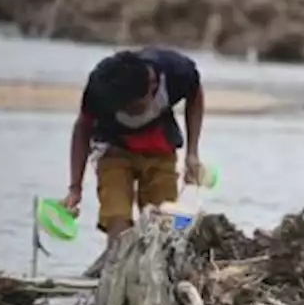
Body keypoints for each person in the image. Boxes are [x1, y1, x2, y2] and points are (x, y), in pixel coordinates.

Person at [63, 47, 207, 277]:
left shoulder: (177, 72)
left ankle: (159, 276)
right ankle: (117, 274)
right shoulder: (101, 86)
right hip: (113, 149)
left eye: (136, 107)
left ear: (152, 86)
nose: (131, 112)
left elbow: (195, 97)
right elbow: (82, 129)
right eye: (124, 108)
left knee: (164, 220)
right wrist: (75, 188)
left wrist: (192, 153)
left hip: (160, 149)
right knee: (117, 216)